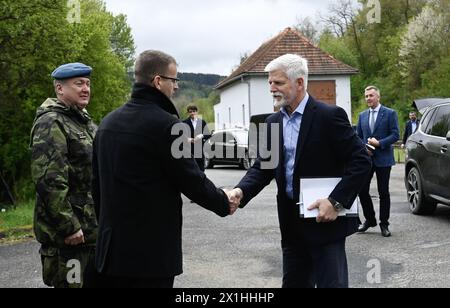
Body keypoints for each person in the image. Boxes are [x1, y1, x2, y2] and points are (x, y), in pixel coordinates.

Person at [227, 54, 372, 288]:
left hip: (325, 223)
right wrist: (240, 191)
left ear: (300, 83)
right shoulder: (273, 122)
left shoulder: (329, 116)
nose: (272, 88)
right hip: (291, 227)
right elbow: (264, 166)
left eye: (279, 83)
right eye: (270, 83)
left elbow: (361, 160)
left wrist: (336, 202)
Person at [92, 50, 234, 288]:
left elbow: (96, 186)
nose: (176, 87)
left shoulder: (107, 124)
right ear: (158, 81)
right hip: (150, 258)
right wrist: (223, 201)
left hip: (110, 255)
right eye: (174, 80)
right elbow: (192, 180)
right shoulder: (168, 125)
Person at [30, 63, 98, 288]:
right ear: (60, 89)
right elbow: (50, 180)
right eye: (78, 84)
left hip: (90, 231)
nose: (85, 88)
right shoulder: (51, 122)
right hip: (69, 239)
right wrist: (69, 225)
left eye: (87, 83)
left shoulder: (83, 121)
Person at [356, 86, 400, 237]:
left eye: (371, 95)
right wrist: (365, 147)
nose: (368, 98)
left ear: (378, 97)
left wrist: (379, 143)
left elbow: (395, 135)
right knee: (362, 190)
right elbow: (358, 137)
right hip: (366, 158)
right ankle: (369, 220)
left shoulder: (389, 113)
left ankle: (384, 224)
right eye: (366, 96)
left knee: (383, 192)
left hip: (384, 158)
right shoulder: (362, 116)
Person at [183, 105, 211, 172]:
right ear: (188, 113)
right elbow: (181, 136)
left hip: (200, 151)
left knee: (201, 171)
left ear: (197, 112)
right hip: (189, 152)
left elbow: (208, 134)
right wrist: (187, 139)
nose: (192, 113)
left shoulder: (202, 122)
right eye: (190, 112)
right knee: (190, 171)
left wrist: (200, 136)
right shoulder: (184, 123)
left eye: (194, 111)